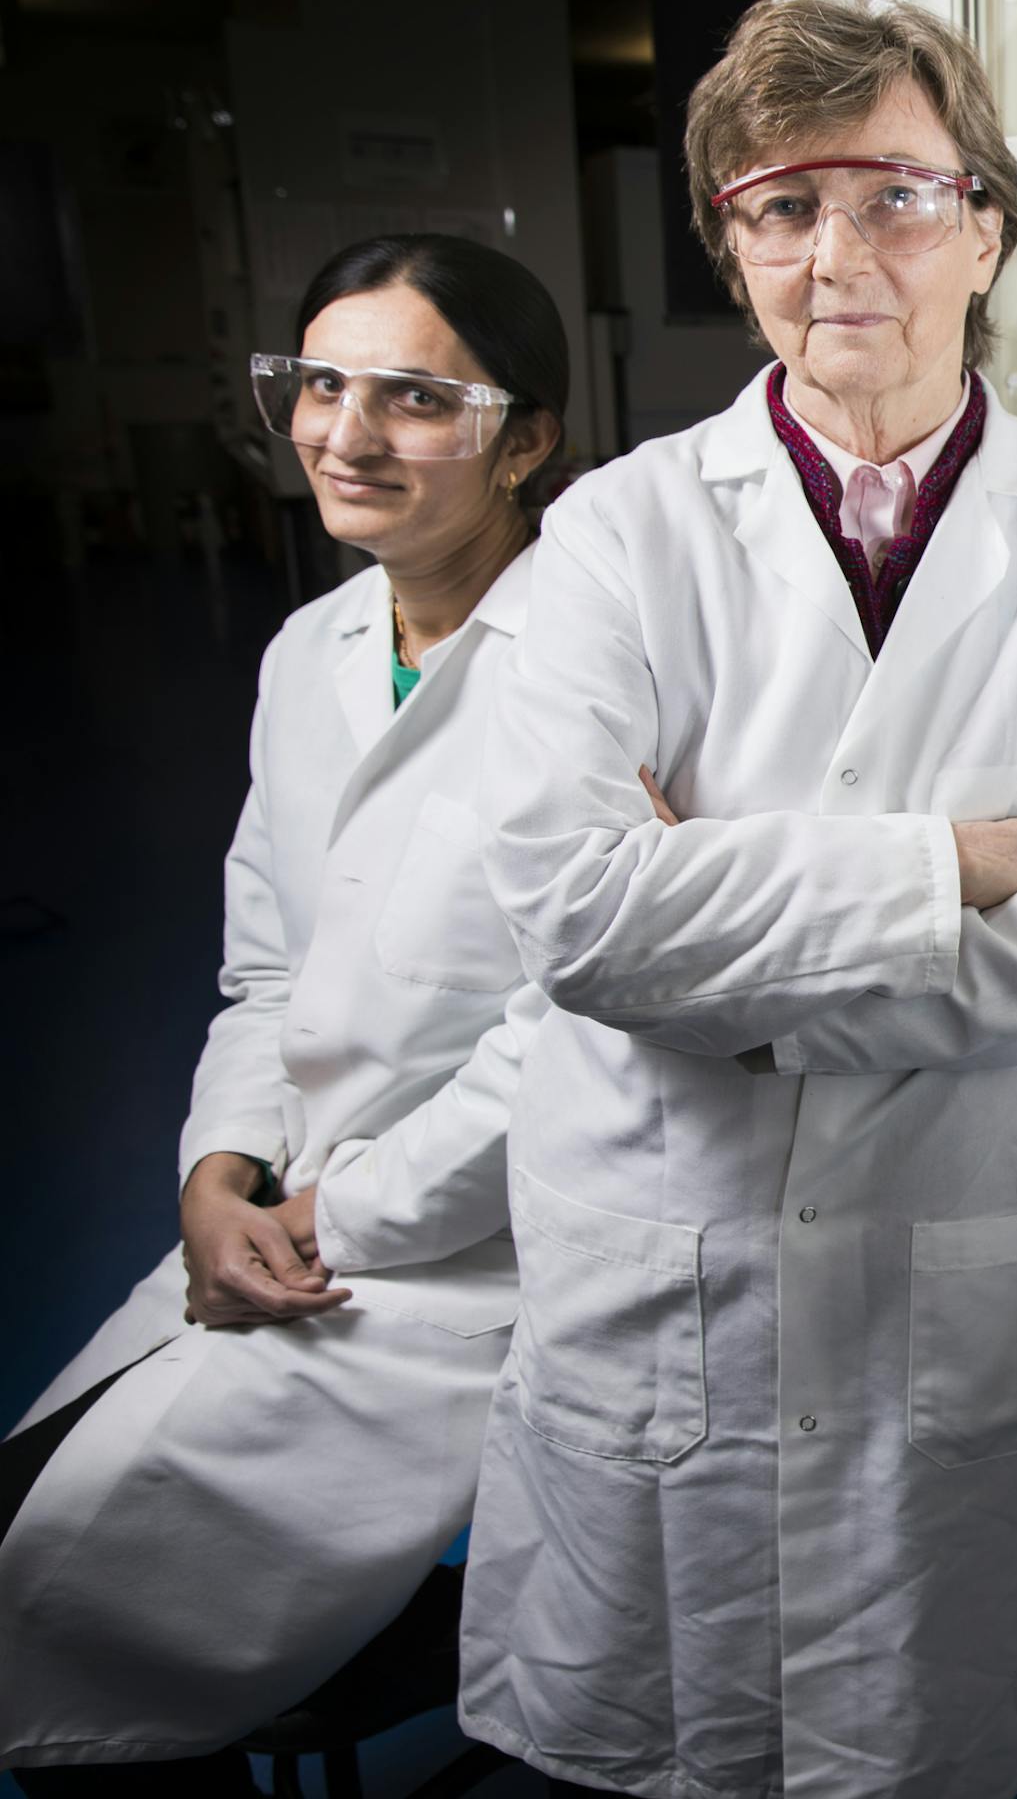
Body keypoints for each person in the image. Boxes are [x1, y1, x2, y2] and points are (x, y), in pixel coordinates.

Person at [458, 0, 1017, 1798]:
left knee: (939, 1735)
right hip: (676, 1264)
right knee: (679, 1749)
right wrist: (945, 869)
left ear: (987, 227)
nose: (840, 256)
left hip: (969, 1277)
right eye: (781, 207)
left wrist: (712, 963)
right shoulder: (615, 536)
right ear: (735, 252)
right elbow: (577, 917)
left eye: (893, 196)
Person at [0, 234, 567, 1784]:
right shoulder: (306, 653)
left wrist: (345, 1214)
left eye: (413, 395)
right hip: (281, 1217)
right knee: (36, 1529)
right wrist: (215, 1174)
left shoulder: (595, 670)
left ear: (526, 440)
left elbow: (579, 1029)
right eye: (321, 382)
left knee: (73, 1602)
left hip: (480, 1249)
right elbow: (266, 969)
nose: (345, 431)